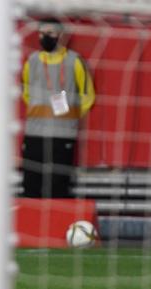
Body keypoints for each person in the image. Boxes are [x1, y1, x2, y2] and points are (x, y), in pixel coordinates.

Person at [21, 17, 95, 198]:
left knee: (59, 186)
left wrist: (68, 118)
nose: (45, 37)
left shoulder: (75, 61)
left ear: (61, 36)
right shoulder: (32, 61)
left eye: (50, 33)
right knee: (31, 185)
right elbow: (26, 93)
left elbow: (88, 96)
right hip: (34, 134)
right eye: (41, 33)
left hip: (63, 135)